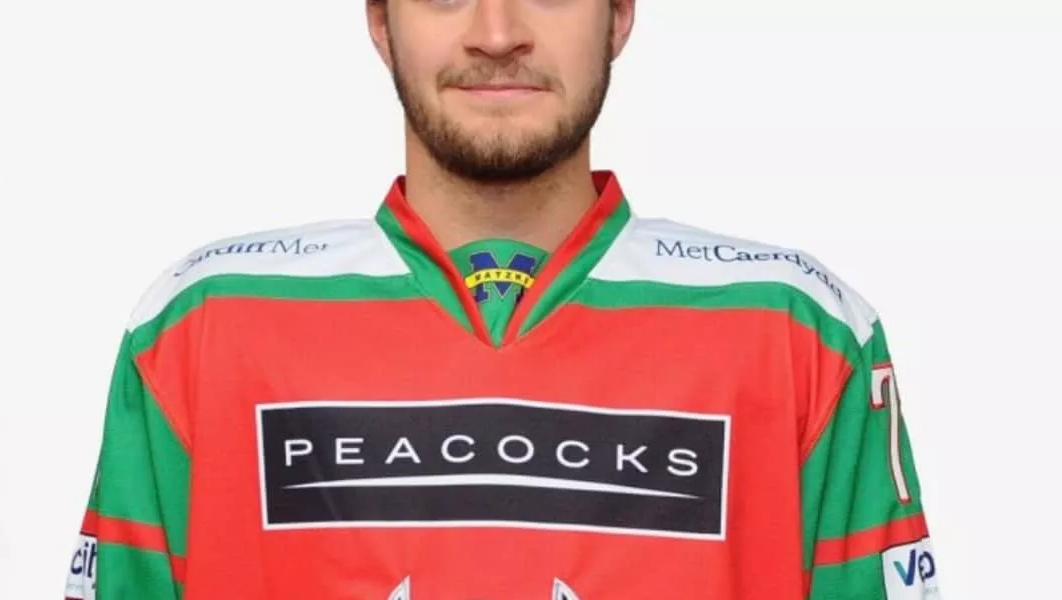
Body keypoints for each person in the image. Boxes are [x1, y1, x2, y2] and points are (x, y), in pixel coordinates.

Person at [64, 1, 941, 598]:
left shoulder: (801, 330)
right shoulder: (201, 326)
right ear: (380, 21)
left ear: (619, 15)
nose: (496, 34)